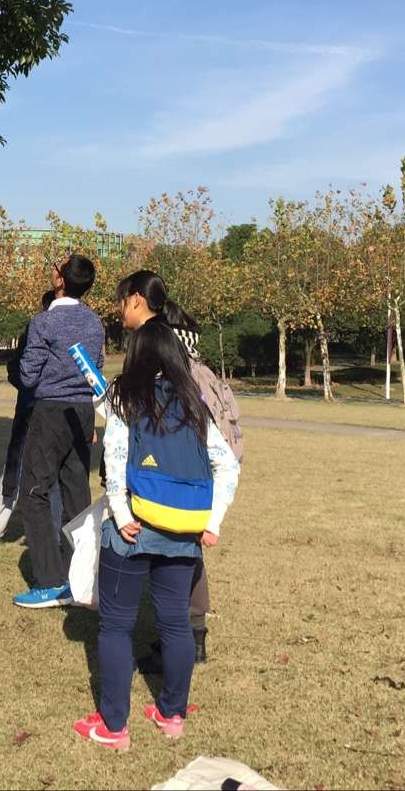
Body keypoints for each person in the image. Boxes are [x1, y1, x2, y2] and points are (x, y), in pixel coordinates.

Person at [73, 321, 240, 750]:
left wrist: (120, 511)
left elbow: (115, 456)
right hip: (184, 532)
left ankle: (114, 726)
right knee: (176, 623)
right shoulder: (195, 405)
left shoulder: (127, 398)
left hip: (133, 530)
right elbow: (227, 466)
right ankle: (172, 714)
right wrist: (213, 522)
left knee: (116, 626)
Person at [117, 271, 245, 665]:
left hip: (188, 471)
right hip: (203, 472)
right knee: (184, 557)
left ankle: (187, 637)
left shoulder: (173, 366)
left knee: (178, 558)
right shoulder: (188, 356)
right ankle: (187, 636)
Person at [12, 254, 105, 609]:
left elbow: (29, 373)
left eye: (56, 266)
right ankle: (78, 575)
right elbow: (96, 368)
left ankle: (50, 581)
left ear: (61, 280)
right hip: (83, 411)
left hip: (50, 410)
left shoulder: (44, 322)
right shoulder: (94, 322)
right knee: (76, 491)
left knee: (34, 492)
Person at [0, 290, 60, 544]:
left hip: (47, 411)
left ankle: (55, 533)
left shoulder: (52, 330)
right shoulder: (33, 331)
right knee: (16, 469)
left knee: (50, 473)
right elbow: (15, 368)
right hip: (31, 411)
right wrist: (27, 386)